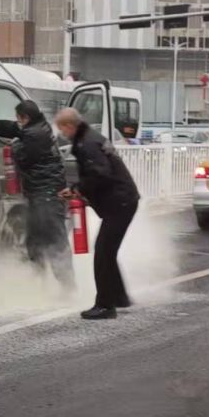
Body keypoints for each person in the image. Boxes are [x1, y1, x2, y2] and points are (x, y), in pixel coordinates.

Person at [54, 107, 139, 320]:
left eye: (62, 129)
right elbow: (97, 173)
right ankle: (119, 297)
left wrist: (77, 190)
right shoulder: (89, 138)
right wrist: (77, 188)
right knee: (107, 251)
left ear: (69, 125)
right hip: (123, 200)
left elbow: (100, 174)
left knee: (102, 252)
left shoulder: (87, 143)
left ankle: (105, 305)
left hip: (120, 202)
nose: (62, 134)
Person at [10, 100, 76, 291]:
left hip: (47, 195)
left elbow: (21, 157)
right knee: (34, 240)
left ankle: (68, 287)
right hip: (39, 195)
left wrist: (14, 145)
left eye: (19, 119)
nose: (18, 123)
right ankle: (39, 283)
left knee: (55, 240)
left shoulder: (35, 134)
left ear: (26, 118)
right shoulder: (38, 129)